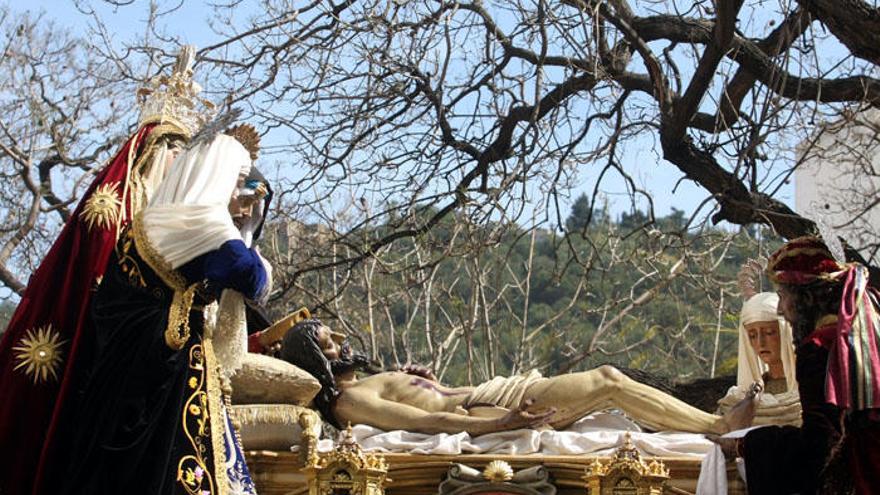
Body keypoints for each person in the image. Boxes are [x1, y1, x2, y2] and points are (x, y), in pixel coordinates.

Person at [0, 46, 213, 494]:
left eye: (183, 149)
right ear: (150, 149)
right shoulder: (112, 207)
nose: (179, 158)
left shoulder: (170, 216)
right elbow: (97, 286)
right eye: (172, 147)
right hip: (99, 350)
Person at [45, 125, 269, 494]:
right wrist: (248, 233)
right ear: (217, 176)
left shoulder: (153, 220)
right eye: (241, 184)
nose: (245, 202)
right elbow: (251, 278)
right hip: (163, 382)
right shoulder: (204, 226)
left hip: (127, 372)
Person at [278, 319, 758, 436]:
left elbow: (430, 398)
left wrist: (429, 381)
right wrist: (497, 425)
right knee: (608, 379)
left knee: (608, 383)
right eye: (328, 342)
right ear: (316, 361)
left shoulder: (370, 377)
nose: (340, 339)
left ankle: (711, 420)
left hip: (488, 393)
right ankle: (716, 428)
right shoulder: (346, 402)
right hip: (488, 409)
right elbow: (425, 424)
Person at [733, 236, 880, 494]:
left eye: (782, 297)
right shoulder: (867, 333)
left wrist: (751, 444)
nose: (780, 310)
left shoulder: (820, 346)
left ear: (805, 298)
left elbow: (821, 445)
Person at [716, 292, 801, 426]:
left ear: (786, 332)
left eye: (769, 333)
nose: (761, 343)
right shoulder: (738, 399)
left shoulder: (807, 391)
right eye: (752, 335)